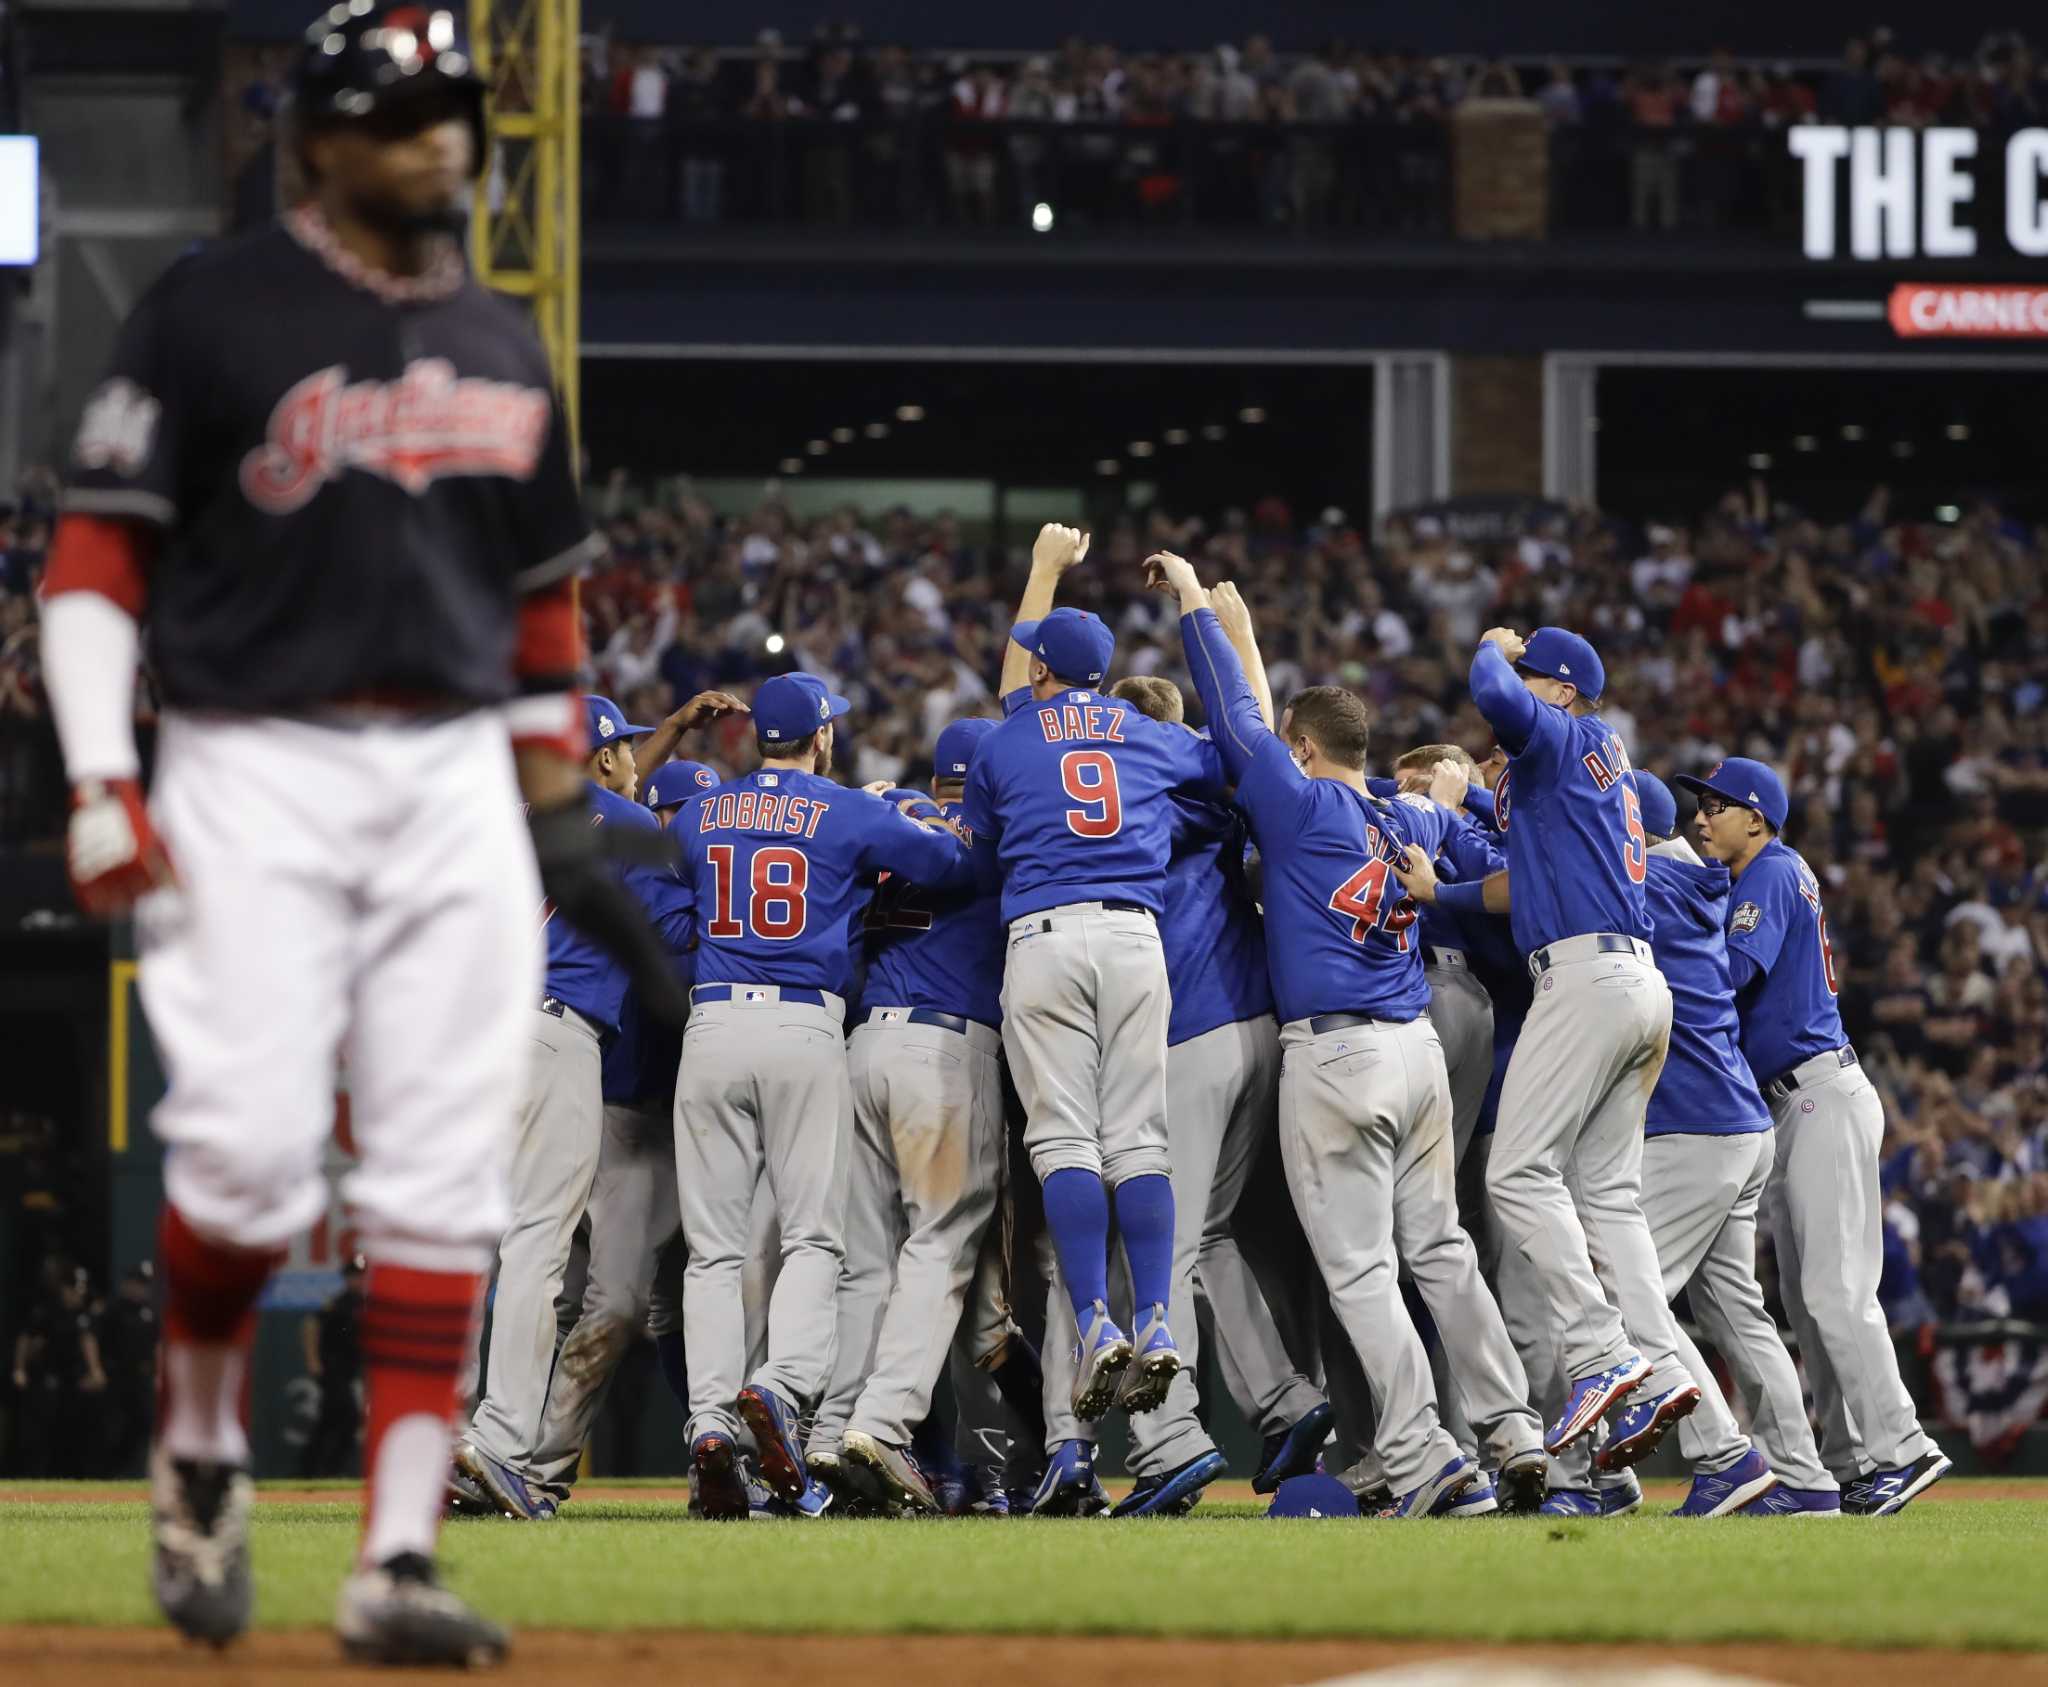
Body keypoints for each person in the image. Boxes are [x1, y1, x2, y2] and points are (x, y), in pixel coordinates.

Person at [32, 4, 678, 1661]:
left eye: (456, 109)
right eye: (403, 113)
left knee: (441, 1181)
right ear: (317, 138)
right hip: (254, 766)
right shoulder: (211, 306)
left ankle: (394, 1557)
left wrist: (563, 824)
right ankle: (196, 1440)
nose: (444, 138)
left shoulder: (503, 342)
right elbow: (99, 563)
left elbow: (545, 624)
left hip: (452, 774)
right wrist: (104, 777)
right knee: (245, 1161)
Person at [1158, 550, 1543, 1518]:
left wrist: (1199, 608)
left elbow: (1236, 723)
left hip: (1336, 1057)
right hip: (1415, 1048)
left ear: (1303, 748)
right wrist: (1247, 637)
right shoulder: (1391, 808)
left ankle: (1421, 1457)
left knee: (1360, 1269)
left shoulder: (1293, 802)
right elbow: (1265, 727)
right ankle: (1508, 1429)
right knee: (1442, 1250)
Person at [1401, 772, 1791, 1517]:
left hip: (1673, 1110)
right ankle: (1681, 1455)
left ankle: (1595, 1470)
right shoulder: (1679, 874)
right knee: (1626, 1277)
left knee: (1579, 1279)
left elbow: (1519, 887)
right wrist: (1483, 804)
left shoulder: (1629, 879)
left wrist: (1444, 820)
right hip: (1666, 1093)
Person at [673, 671, 974, 1519]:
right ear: (822, 736)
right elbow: (953, 865)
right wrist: (906, 813)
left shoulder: (701, 813)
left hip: (710, 1026)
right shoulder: (847, 809)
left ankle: (708, 1425)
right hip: (805, 1027)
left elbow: (666, 900)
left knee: (713, 1252)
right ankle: (780, 1385)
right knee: (812, 1237)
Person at [963, 525, 1228, 1448]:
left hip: (1042, 935)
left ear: (1039, 671)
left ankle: (1096, 1325)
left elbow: (987, 835)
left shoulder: (1005, 741)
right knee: (1140, 1140)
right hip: (1134, 935)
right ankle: (1153, 1315)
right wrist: (1204, 611)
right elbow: (1231, 755)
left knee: (1065, 1139)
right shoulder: (1151, 734)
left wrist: (1039, 570)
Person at [1431, 626, 1696, 1495]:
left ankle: (1599, 1352)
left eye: (1538, 676)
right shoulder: (1602, 762)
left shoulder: (1562, 728)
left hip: (1582, 977)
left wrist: (1493, 645)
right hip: (1637, 984)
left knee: (1516, 1175)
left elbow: (1490, 691)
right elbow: (1523, 870)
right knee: (1609, 1200)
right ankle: (1659, 1370)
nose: (1523, 684)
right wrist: (1458, 849)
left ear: (1565, 689)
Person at [455, 695, 710, 1522]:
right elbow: (681, 893)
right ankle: (497, 1441)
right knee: (536, 1241)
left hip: (477, 1034)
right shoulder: (607, 817)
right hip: (555, 1032)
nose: (638, 759)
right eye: (628, 748)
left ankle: (441, 1429)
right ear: (601, 759)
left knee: (469, 1240)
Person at [1681, 755, 1952, 1515]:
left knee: (1835, 1291)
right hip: (1798, 1099)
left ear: (1757, 817)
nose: (1702, 817)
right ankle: (1850, 1462)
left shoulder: (1770, 869)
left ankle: (1903, 1446)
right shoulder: (1765, 871)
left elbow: (1732, 972)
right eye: (1701, 805)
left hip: (1817, 1094)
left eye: (1717, 805)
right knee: (1807, 1299)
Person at [810, 718, 1008, 1514]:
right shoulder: (1003, 829)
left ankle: (831, 1429)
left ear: (937, 779)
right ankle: (883, 1426)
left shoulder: (886, 820)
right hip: (944, 1051)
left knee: (865, 1260)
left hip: (864, 1047)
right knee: (939, 1248)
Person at [522, 758, 720, 1510]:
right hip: (618, 1117)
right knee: (605, 1300)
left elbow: (608, 783)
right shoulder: (651, 896)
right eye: (682, 818)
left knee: (656, 1301)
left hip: (655, 1118)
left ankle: (707, 1456)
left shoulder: (677, 893)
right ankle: (533, 1461)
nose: (693, 832)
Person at [301, 1255, 367, 1478]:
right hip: (332, 1369)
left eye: (361, 1275)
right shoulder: (339, 1302)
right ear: (347, 1279)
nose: (358, 1280)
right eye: (354, 1276)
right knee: (348, 1418)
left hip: (348, 1372)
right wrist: (313, 1360)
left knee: (328, 1421)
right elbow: (310, 1324)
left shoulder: (365, 1303)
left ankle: (311, 1471)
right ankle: (326, 1470)